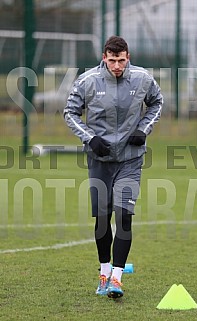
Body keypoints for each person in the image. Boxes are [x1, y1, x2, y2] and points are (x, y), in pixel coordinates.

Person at [64, 36, 163, 299]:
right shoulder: (88, 81)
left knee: (124, 215)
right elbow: (70, 113)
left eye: (121, 60)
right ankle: (104, 272)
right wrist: (90, 138)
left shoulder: (143, 79)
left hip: (130, 159)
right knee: (102, 217)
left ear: (128, 57)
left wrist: (143, 130)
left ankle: (117, 279)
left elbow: (157, 103)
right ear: (104, 58)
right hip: (100, 162)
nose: (117, 66)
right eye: (112, 60)